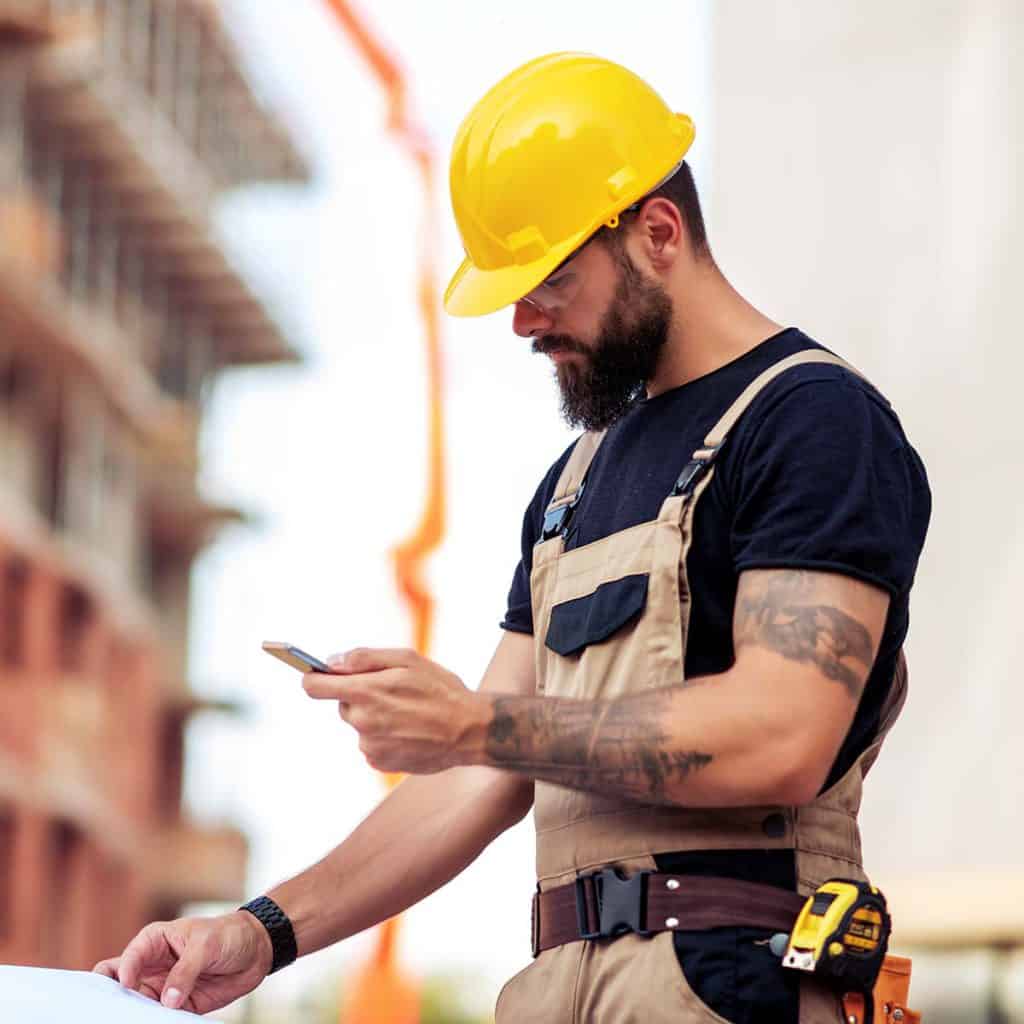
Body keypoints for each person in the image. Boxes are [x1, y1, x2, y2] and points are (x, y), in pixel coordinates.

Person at [95, 53, 931, 1023]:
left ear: (658, 233)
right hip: (559, 992)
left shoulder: (810, 424)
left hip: (733, 985)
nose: (524, 323)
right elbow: (483, 778)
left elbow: (783, 732)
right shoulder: (571, 485)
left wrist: (471, 722)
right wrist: (260, 930)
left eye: (552, 283)